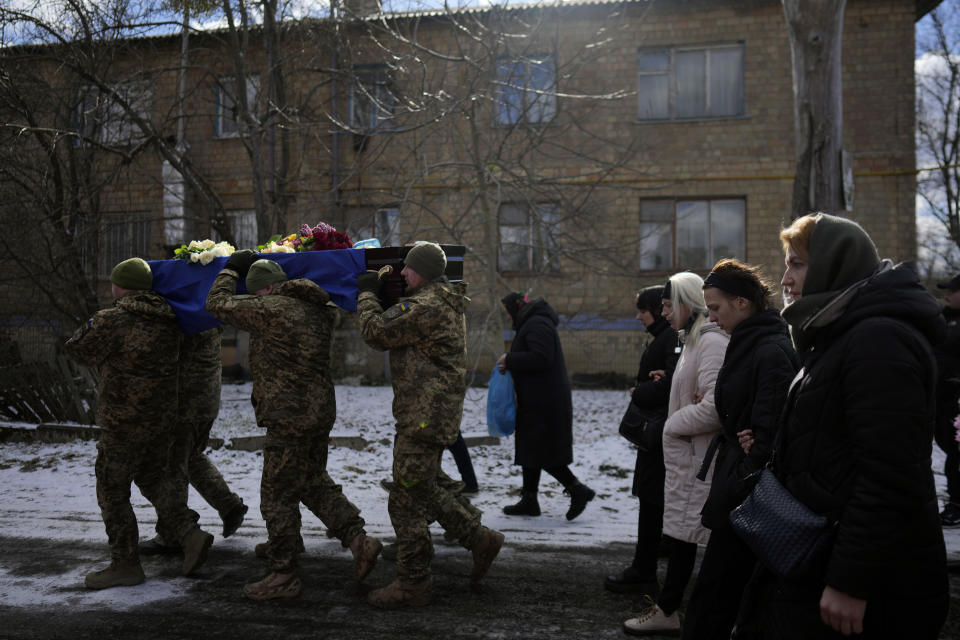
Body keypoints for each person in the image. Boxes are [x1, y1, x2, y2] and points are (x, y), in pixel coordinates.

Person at [737, 212, 948, 639]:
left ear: (834, 264)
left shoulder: (878, 340)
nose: (784, 278)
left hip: (870, 583)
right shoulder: (839, 332)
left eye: (796, 263)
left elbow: (890, 477)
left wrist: (851, 580)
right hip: (818, 558)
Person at [206, 251, 381, 601]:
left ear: (269, 289)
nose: (255, 300)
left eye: (257, 293)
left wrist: (230, 270)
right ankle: (358, 539)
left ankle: (283, 572)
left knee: (277, 494)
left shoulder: (272, 309)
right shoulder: (319, 309)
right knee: (311, 481)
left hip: (289, 415)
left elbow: (216, 303)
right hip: (318, 411)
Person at [357, 241, 504, 608]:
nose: (403, 273)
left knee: (404, 500)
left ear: (422, 271)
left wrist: (367, 293)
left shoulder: (425, 305)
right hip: (429, 413)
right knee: (421, 489)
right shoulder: (439, 300)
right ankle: (479, 539)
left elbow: (375, 332)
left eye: (408, 268)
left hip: (423, 416)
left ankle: (413, 582)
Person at [64, 257, 215, 589]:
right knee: (152, 479)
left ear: (121, 287)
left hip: (123, 421)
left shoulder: (112, 319)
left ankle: (125, 564)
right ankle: (189, 534)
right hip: (161, 419)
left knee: (112, 489)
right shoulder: (172, 319)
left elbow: (77, 349)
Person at [679, 259, 799, 640]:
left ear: (742, 302)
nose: (710, 318)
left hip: (749, 496)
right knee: (717, 593)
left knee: (719, 595)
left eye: (715, 308)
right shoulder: (749, 343)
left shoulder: (770, 349)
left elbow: (769, 432)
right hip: (740, 484)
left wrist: (744, 469)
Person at [622, 272, 728, 637]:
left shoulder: (709, 342)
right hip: (688, 457)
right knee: (684, 536)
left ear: (686, 303)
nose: (663, 312)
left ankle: (679, 611)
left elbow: (714, 405)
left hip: (697, 456)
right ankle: (671, 609)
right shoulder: (692, 340)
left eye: (668, 305)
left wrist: (672, 424)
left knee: (695, 538)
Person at [145, 326, 248, 555]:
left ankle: (172, 534)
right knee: (189, 456)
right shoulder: (204, 311)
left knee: (173, 464)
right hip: (206, 399)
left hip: (185, 403)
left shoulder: (184, 315)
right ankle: (229, 505)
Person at [604, 285, 678, 597]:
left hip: (659, 434)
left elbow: (669, 388)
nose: (639, 317)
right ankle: (648, 562)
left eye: (643, 311)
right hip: (659, 434)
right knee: (653, 501)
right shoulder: (668, 338)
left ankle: (643, 571)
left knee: (652, 502)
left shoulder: (669, 339)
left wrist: (641, 392)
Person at [496, 292, 596, 520]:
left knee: (542, 452)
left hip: (545, 403)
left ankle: (577, 489)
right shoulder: (533, 323)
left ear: (516, 309)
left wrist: (510, 360)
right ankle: (529, 499)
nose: (508, 318)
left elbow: (541, 357)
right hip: (538, 399)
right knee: (531, 449)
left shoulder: (536, 324)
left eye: (507, 313)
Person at [934, 273, 960, 527]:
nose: (948, 294)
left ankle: (956, 504)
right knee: (951, 451)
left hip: (956, 401)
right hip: (941, 400)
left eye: (953, 290)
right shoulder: (942, 319)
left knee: (956, 455)